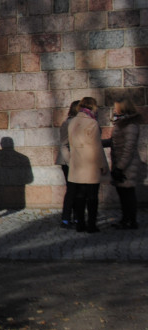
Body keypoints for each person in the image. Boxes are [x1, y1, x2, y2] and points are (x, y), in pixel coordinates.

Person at [68, 96, 108, 233]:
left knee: (79, 196)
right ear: (93, 107)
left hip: (77, 165)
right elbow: (97, 147)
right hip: (90, 165)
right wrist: (103, 165)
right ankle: (91, 225)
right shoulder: (92, 123)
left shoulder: (72, 122)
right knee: (92, 197)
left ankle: (80, 224)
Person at [108, 98, 142, 230]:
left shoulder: (130, 125)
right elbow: (114, 142)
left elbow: (129, 148)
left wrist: (120, 168)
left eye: (116, 107)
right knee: (122, 193)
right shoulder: (121, 122)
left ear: (123, 108)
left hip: (126, 166)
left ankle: (131, 221)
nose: (115, 110)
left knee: (128, 193)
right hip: (120, 164)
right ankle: (125, 219)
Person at [57, 100, 80, 228]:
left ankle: (76, 217)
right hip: (69, 161)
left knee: (77, 191)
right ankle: (66, 218)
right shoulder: (69, 123)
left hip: (75, 161)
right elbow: (64, 144)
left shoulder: (77, 122)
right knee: (72, 190)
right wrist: (71, 162)